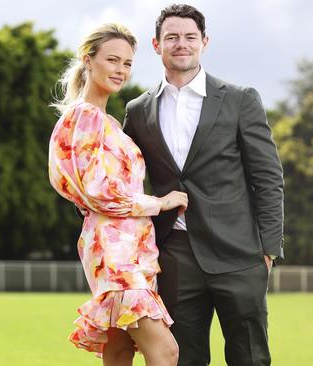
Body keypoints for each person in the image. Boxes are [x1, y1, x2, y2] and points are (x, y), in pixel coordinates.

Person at [123, 4, 285, 366]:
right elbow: (123, 175)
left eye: (189, 37)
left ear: (204, 42)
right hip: (175, 255)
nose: (181, 44)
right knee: (182, 359)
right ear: (156, 44)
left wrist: (268, 250)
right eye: (172, 37)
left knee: (250, 358)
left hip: (240, 254)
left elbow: (268, 177)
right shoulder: (138, 110)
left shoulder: (241, 99)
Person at [48, 23, 187, 365]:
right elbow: (99, 192)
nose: (121, 70)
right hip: (113, 250)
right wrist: (161, 202)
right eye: (112, 60)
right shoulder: (86, 116)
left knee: (120, 351)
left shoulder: (109, 123)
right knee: (166, 351)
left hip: (133, 247)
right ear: (88, 61)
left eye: (127, 63)